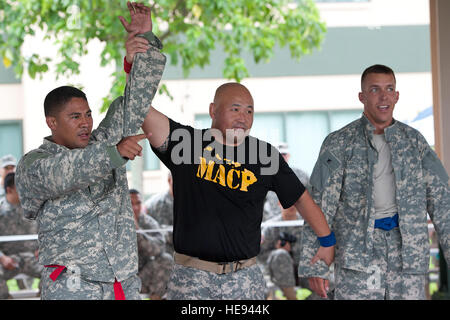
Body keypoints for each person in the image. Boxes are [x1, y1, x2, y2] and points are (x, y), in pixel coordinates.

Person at [15, 2, 166, 300]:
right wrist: (114, 154)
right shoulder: (34, 164)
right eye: (75, 117)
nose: (86, 123)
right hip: (72, 286)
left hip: (121, 284)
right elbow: (65, 172)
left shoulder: (103, 144)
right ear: (52, 122)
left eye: (88, 114)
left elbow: (134, 104)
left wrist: (142, 47)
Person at [138, 81, 335, 299]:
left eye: (249, 111)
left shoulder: (264, 155)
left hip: (244, 279)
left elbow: (302, 199)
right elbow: (142, 110)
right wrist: (133, 69)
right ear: (213, 110)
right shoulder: (187, 145)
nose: (243, 117)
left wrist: (327, 241)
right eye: (235, 109)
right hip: (191, 278)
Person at [299, 64, 450, 300]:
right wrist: (314, 265)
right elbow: (319, 203)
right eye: (374, 90)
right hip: (359, 258)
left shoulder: (414, 142)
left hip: (407, 257)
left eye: (389, 89)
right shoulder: (339, 143)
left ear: (397, 96)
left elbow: (443, 203)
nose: (383, 96)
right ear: (362, 96)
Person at [0, 173, 42, 299]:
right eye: (20, 187)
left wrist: (41, 249)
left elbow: (45, 232)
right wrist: (2, 258)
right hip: (8, 260)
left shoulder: (33, 208)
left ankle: (44, 295)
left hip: (33, 258)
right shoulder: (1, 210)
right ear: (9, 190)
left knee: (56, 272)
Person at [129, 189, 173, 300]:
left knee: (166, 259)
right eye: (130, 204)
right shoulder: (116, 223)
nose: (135, 208)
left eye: (138, 203)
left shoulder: (148, 222)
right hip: (122, 275)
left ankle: (155, 298)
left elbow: (159, 249)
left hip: (142, 275)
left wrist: (138, 232)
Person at [263, 142, 310, 221]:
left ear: (288, 156)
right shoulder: (264, 177)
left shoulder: (301, 176)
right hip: (272, 225)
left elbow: (311, 198)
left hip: (296, 222)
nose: (280, 157)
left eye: (283, 154)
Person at [145, 172, 174, 255]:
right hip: (164, 255)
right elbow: (161, 233)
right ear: (169, 180)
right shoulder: (156, 204)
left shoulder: (193, 202)